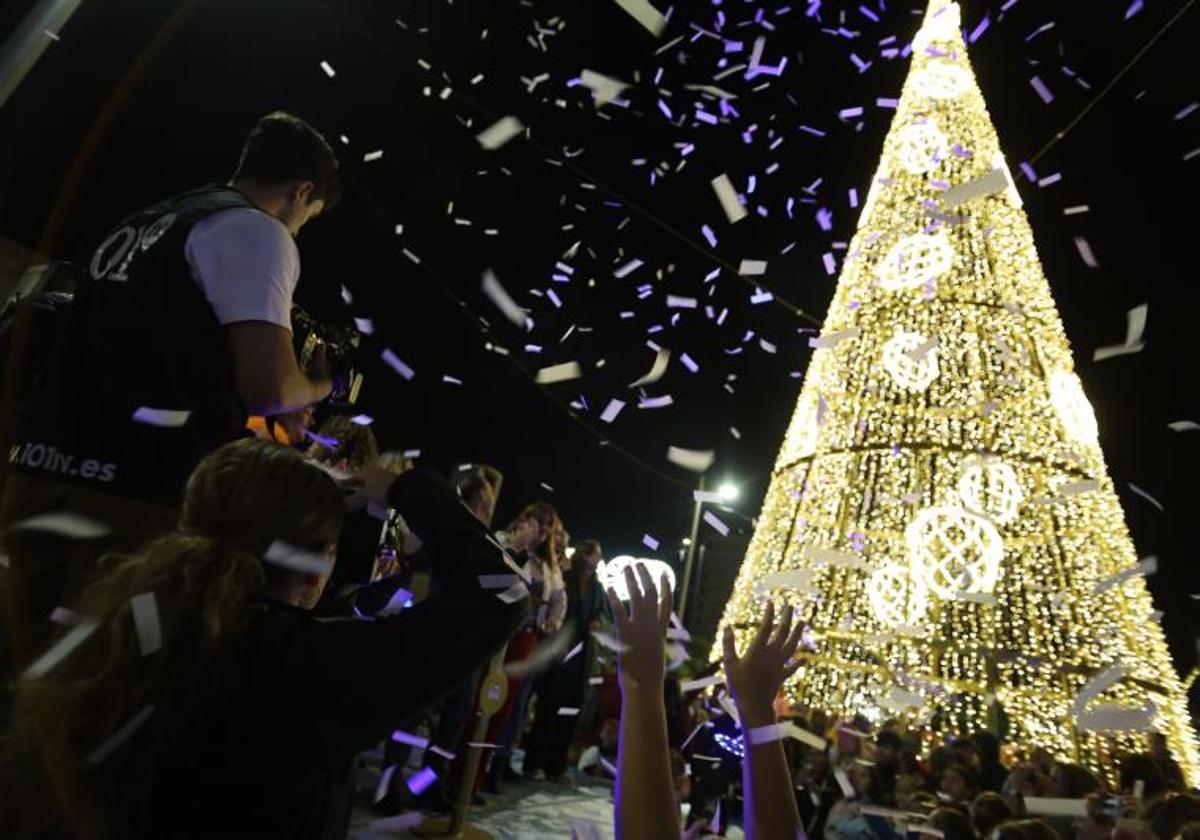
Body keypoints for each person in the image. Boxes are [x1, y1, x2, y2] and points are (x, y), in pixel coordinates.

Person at [0, 438, 527, 838]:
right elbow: (502, 594)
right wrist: (408, 488)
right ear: (318, 560)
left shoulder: (123, 619)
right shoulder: (308, 667)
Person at [1, 111, 340, 661]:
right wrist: (320, 386)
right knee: (86, 687)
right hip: (131, 494)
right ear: (302, 192)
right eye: (309, 217)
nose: (299, 230)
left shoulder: (151, 219)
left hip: (40, 468)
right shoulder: (258, 231)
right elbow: (271, 388)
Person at [522, 539, 607, 782]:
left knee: (568, 712)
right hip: (559, 650)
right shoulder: (567, 576)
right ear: (586, 555)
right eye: (596, 554)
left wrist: (598, 621)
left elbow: (602, 613)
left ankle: (555, 766)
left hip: (580, 657)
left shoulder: (597, 587)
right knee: (548, 709)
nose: (599, 559)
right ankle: (534, 763)